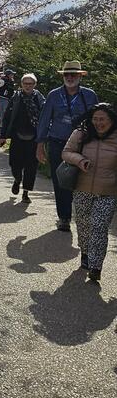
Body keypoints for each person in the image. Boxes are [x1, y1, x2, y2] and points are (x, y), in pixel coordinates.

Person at [36, 61, 98, 231]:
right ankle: (64, 217)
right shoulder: (54, 95)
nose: (69, 77)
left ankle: (83, 217)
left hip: (82, 145)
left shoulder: (89, 95)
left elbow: (98, 119)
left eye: (73, 74)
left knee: (82, 180)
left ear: (80, 76)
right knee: (60, 179)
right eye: (66, 74)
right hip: (58, 144)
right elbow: (44, 120)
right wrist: (40, 145)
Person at [61, 103, 117, 283]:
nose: (99, 123)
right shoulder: (81, 133)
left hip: (108, 191)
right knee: (84, 224)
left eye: (103, 120)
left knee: (99, 227)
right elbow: (66, 153)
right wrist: (80, 160)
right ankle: (85, 252)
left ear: (111, 120)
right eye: (95, 119)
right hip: (82, 188)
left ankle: (95, 266)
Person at [0, 73, 44, 201]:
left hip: (34, 138)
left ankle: (26, 193)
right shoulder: (16, 98)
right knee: (14, 164)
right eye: (25, 83)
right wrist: (3, 136)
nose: (28, 86)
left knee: (31, 167)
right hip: (17, 137)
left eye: (30, 84)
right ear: (21, 85)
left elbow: (45, 118)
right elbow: (7, 117)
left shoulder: (40, 99)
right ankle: (17, 179)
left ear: (35, 85)